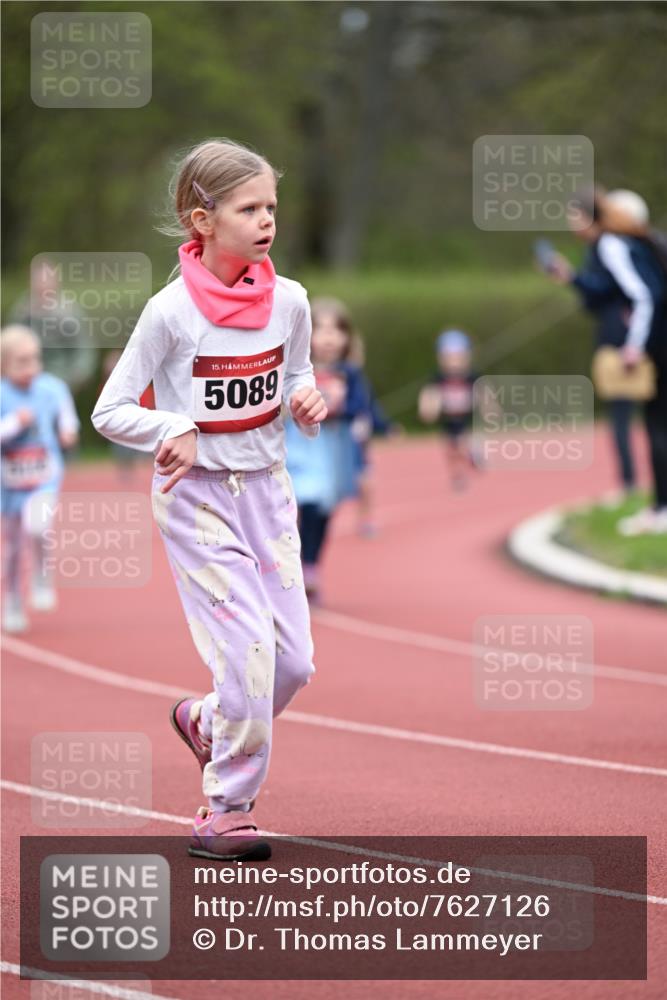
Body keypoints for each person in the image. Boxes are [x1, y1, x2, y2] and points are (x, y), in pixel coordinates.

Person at [92, 138, 327, 861]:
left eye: (272, 209)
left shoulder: (289, 301)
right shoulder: (169, 314)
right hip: (196, 502)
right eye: (249, 208)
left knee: (293, 665)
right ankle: (225, 809)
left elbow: (296, 373)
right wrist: (174, 424)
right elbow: (110, 410)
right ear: (202, 219)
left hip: (267, 495)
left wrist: (305, 397)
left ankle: (205, 719)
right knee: (250, 655)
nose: (266, 222)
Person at [548, 189, 667, 534]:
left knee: (658, 425)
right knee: (656, 423)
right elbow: (609, 294)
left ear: (592, 217)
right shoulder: (622, 243)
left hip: (659, 345)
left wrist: (634, 346)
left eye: (574, 216)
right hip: (657, 342)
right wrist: (571, 277)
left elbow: (646, 295)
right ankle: (659, 506)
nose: (570, 225)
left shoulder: (612, 244)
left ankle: (662, 509)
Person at [285, 297, 370, 603]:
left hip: (334, 449)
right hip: (298, 445)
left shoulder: (350, 374)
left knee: (322, 508)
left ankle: (311, 565)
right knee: (301, 501)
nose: (329, 338)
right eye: (320, 330)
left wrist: (350, 412)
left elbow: (363, 406)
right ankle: (293, 566)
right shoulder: (295, 370)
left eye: (336, 330)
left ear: (347, 337)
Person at [1, 325, 80, 633]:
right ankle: (12, 601)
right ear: (4, 364)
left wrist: (68, 430)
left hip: (44, 476)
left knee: (38, 526)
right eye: (21, 361)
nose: (30, 367)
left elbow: (66, 414)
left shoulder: (52, 387)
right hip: (9, 483)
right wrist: (12, 424)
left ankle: (41, 575)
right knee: (12, 547)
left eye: (34, 359)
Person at [11, 258, 97, 395]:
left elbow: (84, 350)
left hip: (61, 377)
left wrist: (74, 378)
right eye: (38, 280)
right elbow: (11, 345)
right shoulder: (23, 310)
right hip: (26, 380)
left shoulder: (69, 311)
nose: (42, 285)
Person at [418, 329, 480, 491]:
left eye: (457, 357)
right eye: (449, 357)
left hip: (465, 418)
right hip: (447, 419)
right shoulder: (439, 378)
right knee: (450, 451)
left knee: (461, 444)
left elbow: (484, 391)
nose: (453, 362)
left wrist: (490, 408)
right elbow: (429, 395)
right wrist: (427, 410)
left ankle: (472, 454)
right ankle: (457, 475)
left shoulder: (470, 377)